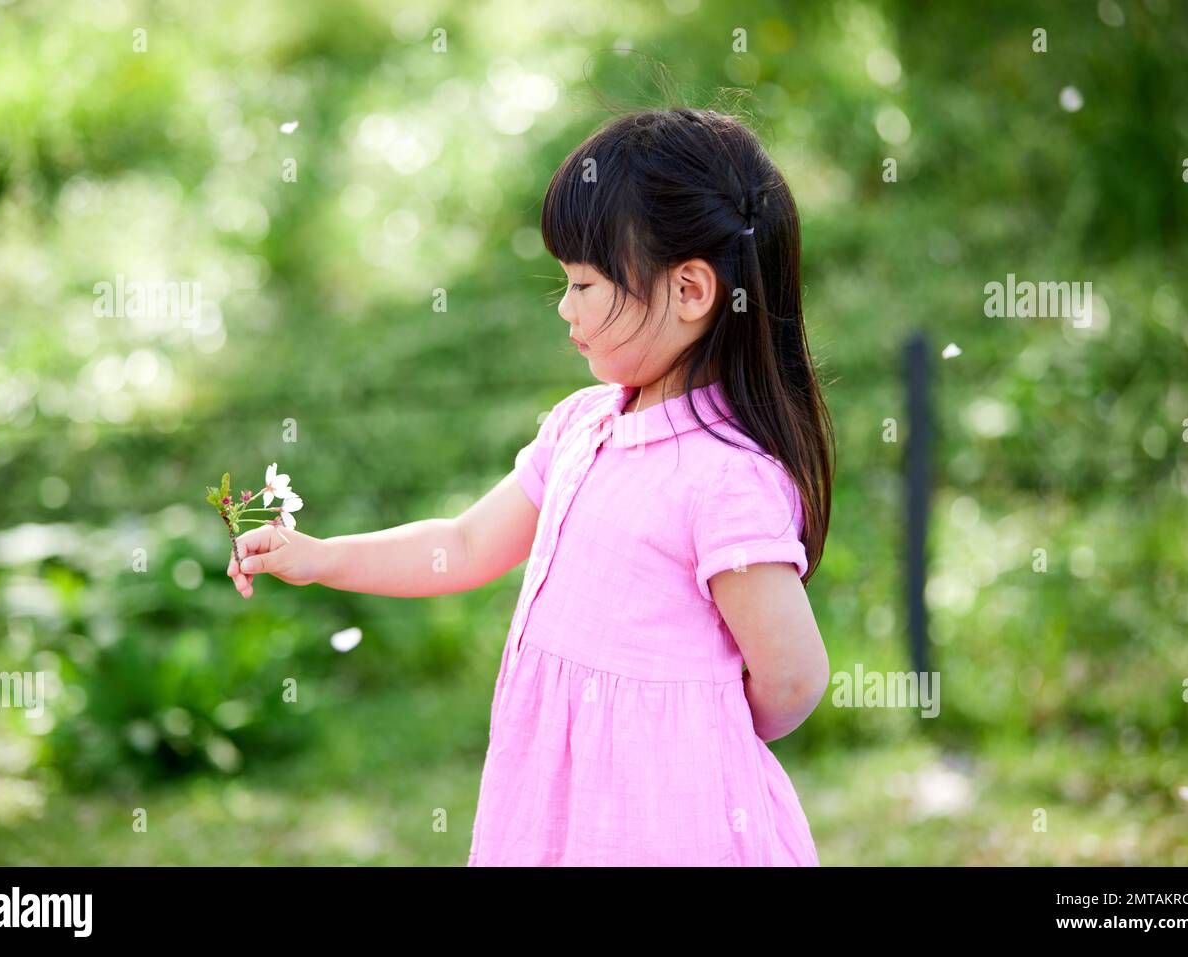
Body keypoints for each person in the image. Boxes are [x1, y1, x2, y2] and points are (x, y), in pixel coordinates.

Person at [227, 107, 836, 866]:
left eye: (585, 284)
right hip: (559, 809)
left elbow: (794, 674)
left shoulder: (723, 480)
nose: (564, 306)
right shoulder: (583, 427)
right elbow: (464, 543)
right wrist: (319, 556)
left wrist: (687, 721)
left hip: (672, 827)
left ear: (690, 290)